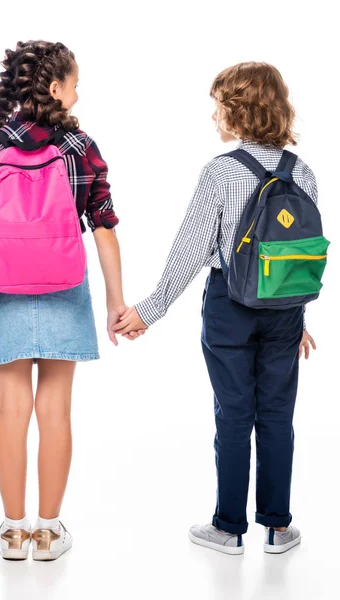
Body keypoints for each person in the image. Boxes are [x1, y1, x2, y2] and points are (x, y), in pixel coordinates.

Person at [113, 62, 318, 555]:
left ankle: (228, 529)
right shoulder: (302, 171)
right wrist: (299, 318)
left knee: (233, 414)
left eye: (218, 106)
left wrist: (150, 309)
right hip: (284, 310)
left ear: (239, 112)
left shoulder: (221, 172)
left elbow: (190, 249)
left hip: (231, 306)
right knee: (276, 414)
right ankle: (277, 528)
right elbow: (301, 253)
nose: (213, 116)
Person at [0, 39, 143, 561]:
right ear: (55, 87)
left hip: (1, 290)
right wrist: (115, 302)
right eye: (76, 83)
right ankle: (49, 531)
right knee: (55, 409)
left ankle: (12, 532)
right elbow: (104, 228)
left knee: (9, 408)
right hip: (64, 288)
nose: (79, 92)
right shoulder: (79, 149)